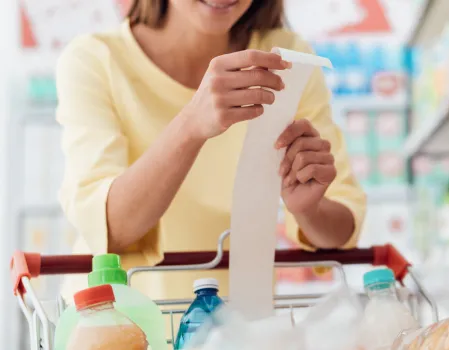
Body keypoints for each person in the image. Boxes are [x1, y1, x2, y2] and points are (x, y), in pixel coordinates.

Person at [57, 0, 366, 300]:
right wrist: (191, 124)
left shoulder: (287, 57)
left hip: (235, 328)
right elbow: (110, 229)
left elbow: (340, 234)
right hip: (120, 324)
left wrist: (308, 210)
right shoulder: (95, 60)